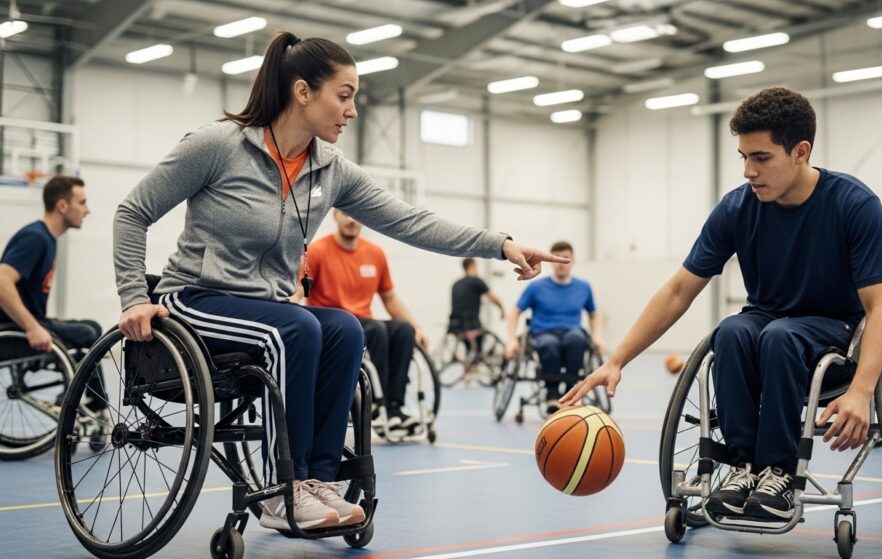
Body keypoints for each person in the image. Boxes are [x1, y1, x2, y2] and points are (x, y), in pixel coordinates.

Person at [113, 32, 565, 533]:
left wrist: (500, 245)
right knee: (297, 329)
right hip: (195, 299)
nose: (351, 111)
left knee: (346, 328)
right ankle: (282, 490)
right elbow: (133, 212)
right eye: (344, 95)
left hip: (267, 309)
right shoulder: (218, 146)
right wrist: (134, 295)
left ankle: (318, 482)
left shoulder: (331, 169)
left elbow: (411, 220)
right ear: (303, 92)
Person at [563, 87, 882, 521]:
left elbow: (881, 309)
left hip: (835, 330)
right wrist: (617, 360)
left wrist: (861, 390)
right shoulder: (738, 209)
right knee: (732, 330)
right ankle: (741, 468)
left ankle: (778, 472)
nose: (747, 171)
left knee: (779, 335)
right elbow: (679, 290)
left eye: (761, 158)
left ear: (800, 151)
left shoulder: (854, 204)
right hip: (766, 322)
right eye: (742, 157)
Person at [300, 209, 429, 433]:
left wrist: (417, 327)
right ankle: (374, 405)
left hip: (365, 321)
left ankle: (395, 407)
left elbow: (389, 298)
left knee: (402, 330)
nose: (352, 219)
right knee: (376, 329)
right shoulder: (318, 250)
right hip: (334, 324)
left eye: (356, 214)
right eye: (346, 213)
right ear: (336, 216)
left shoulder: (375, 253)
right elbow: (299, 290)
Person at [0, 176, 106, 413]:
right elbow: (1, 281)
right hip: (11, 334)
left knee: (93, 328)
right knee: (87, 334)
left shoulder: (47, 238)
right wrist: (31, 327)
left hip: (28, 324)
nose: (87, 210)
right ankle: (96, 406)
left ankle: (86, 402)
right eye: (82, 202)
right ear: (62, 206)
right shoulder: (35, 237)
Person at [506, 241, 604, 415]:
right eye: (557, 258)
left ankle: (570, 391)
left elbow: (594, 313)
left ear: (572, 260)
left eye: (565, 258)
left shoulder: (583, 287)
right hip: (543, 332)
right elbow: (515, 311)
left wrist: (597, 336)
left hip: (572, 331)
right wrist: (512, 339)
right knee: (549, 344)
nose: (561, 263)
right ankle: (552, 395)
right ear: (551, 261)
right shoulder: (536, 287)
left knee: (576, 340)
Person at [449, 257, 505, 335]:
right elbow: (493, 297)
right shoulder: (476, 281)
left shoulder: (456, 284)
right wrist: (502, 309)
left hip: (454, 324)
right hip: (470, 323)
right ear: (472, 265)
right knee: (480, 339)